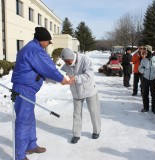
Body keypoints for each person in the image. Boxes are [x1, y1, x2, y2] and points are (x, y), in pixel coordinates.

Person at [11, 27, 68, 160]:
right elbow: (49, 68)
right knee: (23, 122)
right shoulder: (35, 50)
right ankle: (19, 156)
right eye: (48, 41)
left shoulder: (31, 47)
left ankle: (31, 145)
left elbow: (40, 70)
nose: (48, 44)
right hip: (24, 89)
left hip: (27, 89)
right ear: (43, 40)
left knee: (29, 119)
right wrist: (62, 79)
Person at [60, 48, 101, 144]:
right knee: (76, 114)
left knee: (94, 111)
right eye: (64, 61)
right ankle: (76, 134)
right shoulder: (66, 64)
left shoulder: (85, 60)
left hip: (89, 90)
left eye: (67, 61)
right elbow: (61, 74)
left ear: (71, 57)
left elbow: (89, 74)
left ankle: (97, 130)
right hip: (76, 92)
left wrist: (75, 78)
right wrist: (61, 79)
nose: (66, 63)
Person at [139, 45, 155, 114]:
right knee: (145, 94)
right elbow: (140, 68)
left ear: (149, 51)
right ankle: (146, 107)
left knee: (154, 94)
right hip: (145, 79)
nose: (144, 52)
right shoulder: (143, 60)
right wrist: (144, 71)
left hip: (154, 79)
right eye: (144, 51)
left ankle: (154, 108)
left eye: (145, 51)